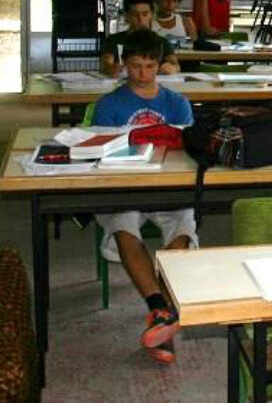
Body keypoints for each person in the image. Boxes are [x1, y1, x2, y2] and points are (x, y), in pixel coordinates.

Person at [91, 29, 196, 364]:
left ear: (160, 65)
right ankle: (160, 308)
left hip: (167, 186)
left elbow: (191, 151)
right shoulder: (109, 105)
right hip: (124, 187)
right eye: (135, 66)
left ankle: (160, 316)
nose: (143, 73)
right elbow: (96, 152)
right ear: (124, 64)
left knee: (184, 222)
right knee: (123, 224)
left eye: (150, 66)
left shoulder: (177, 104)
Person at [101, 0, 179, 77]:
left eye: (145, 14)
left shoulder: (162, 42)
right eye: (135, 14)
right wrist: (110, 68)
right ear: (126, 16)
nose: (140, 19)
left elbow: (175, 64)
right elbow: (105, 63)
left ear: (152, 14)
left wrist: (173, 68)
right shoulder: (114, 40)